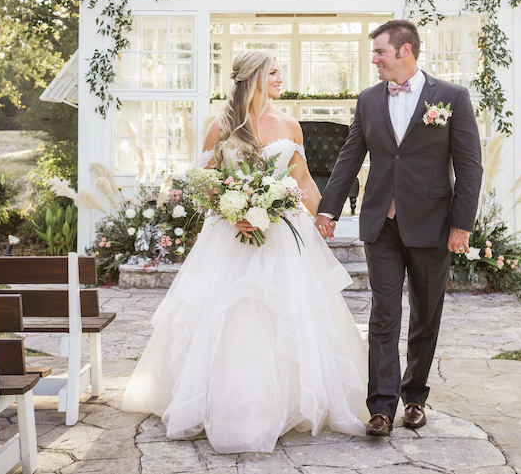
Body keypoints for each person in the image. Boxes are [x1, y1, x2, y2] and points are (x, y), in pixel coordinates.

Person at [122, 49, 368, 453]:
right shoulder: (221, 127)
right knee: (232, 315)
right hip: (230, 239)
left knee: (286, 314)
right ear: (252, 77)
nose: (279, 78)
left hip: (283, 238)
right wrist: (230, 209)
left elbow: (301, 177)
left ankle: (290, 401)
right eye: (272, 72)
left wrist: (324, 216)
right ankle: (231, 405)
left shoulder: (290, 125)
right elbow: (203, 181)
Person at [315, 19, 482, 437]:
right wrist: (328, 211)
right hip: (381, 225)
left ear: (404, 52)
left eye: (380, 53)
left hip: (432, 226)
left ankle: (414, 399)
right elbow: (349, 157)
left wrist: (461, 225)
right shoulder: (369, 100)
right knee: (384, 314)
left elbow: (470, 168)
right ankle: (381, 408)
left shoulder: (451, 98)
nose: (374, 61)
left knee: (426, 317)